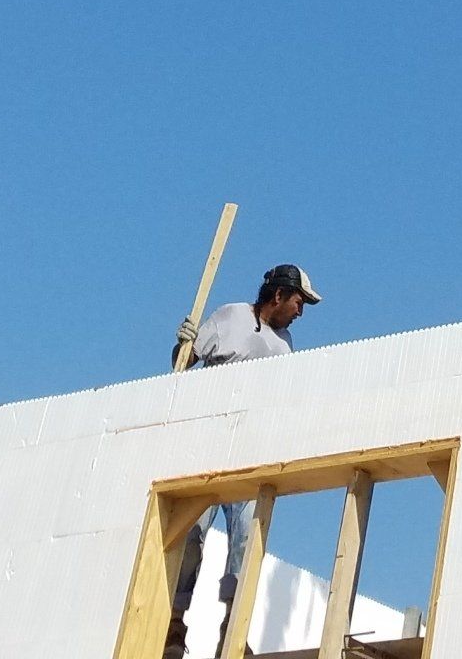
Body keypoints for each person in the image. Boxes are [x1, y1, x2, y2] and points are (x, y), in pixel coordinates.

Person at [164, 264, 323, 657]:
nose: (300, 312)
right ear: (278, 295)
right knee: (190, 536)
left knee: (246, 539)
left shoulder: (284, 347)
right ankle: (172, 623)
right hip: (204, 449)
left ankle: (231, 629)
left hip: (247, 453)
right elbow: (183, 363)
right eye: (298, 302)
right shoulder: (230, 317)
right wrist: (183, 344)